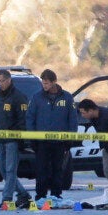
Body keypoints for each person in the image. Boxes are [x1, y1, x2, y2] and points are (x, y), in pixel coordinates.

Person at [26, 69, 77, 200]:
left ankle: (56, 194)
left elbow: (72, 119)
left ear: (54, 82)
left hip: (60, 141)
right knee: (41, 169)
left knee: (58, 169)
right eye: (43, 83)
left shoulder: (67, 97)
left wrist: (70, 139)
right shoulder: (37, 97)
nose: (45, 86)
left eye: (47, 83)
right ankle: (40, 194)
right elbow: (30, 118)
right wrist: (32, 138)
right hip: (42, 141)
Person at [0, 70, 32, 209]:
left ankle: (6, 198)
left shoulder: (19, 97)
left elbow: (23, 120)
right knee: (3, 170)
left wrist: (19, 137)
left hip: (12, 140)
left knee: (10, 170)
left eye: (1, 81)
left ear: (9, 80)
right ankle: (23, 194)